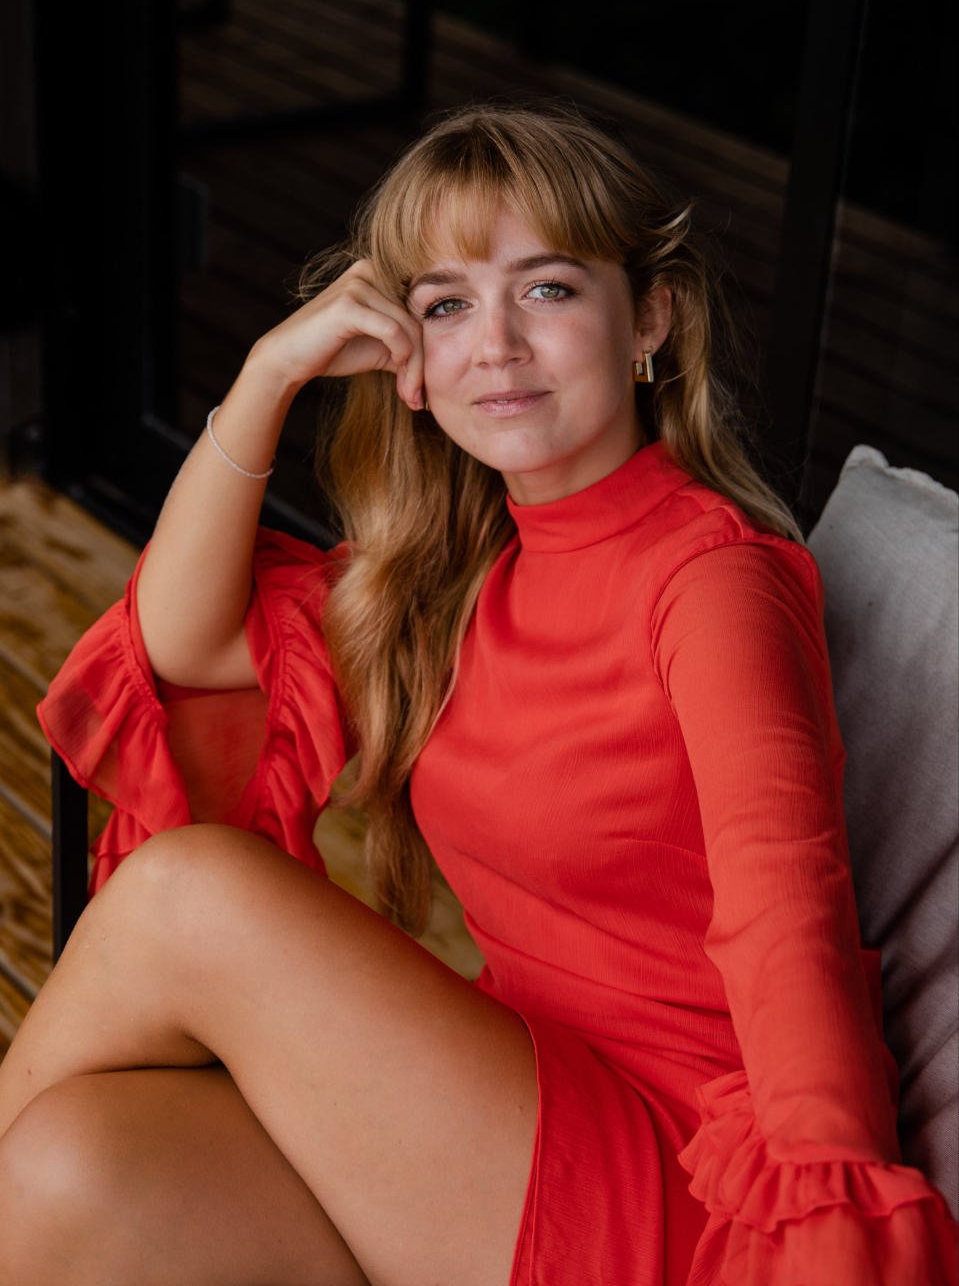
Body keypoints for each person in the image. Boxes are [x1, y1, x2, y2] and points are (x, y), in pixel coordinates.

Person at [0, 104, 955, 1286]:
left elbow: (784, 910)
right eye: (446, 305)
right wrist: (267, 375)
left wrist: (825, 1218)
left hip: (679, 1179)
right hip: (511, 1097)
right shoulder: (458, 576)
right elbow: (181, 642)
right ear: (406, 354)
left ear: (648, 318)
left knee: (186, 893)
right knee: (67, 1163)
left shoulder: (708, 580)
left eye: (546, 289)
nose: (494, 344)